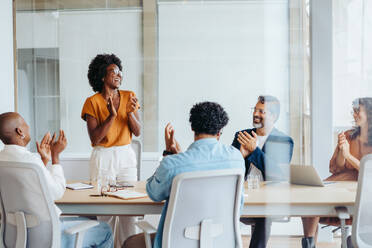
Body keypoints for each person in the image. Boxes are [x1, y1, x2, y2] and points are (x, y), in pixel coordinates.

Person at [123, 101, 245, 248]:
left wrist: (168, 154)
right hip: (220, 240)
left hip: (176, 243)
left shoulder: (173, 164)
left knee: (130, 243)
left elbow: (153, 193)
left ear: (192, 127)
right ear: (220, 132)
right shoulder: (236, 159)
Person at [0, 112, 113, 248]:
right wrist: (55, 156)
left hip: (15, 237)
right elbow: (57, 192)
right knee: (104, 230)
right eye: (25, 123)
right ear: (20, 131)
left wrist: (43, 160)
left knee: (91, 220)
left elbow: (24, 186)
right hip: (47, 237)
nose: (28, 126)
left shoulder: (5, 161)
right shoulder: (31, 161)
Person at [81, 54, 141, 246]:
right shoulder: (92, 102)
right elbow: (95, 138)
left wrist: (130, 113)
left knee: (128, 212)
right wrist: (112, 117)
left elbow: (138, 131)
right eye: (113, 71)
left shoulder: (129, 96)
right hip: (103, 156)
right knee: (105, 211)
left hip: (125, 156)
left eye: (119, 71)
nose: (118, 75)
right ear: (101, 76)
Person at [301, 97, 372, 248]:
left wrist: (348, 156)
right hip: (340, 183)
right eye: (353, 111)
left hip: (363, 189)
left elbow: (369, 171)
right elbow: (336, 168)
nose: (354, 115)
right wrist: (341, 151)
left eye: (358, 111)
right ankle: (309, 243)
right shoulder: (348, 135)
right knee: (310, 198)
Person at [232, 95, 294, 248]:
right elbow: (230, 167)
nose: (255, 114)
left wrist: (254, 151)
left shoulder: (283, 141)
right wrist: (240, 156)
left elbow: (278, 174)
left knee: (265, 213)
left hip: (268, 196)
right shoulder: (242, 136)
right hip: (241, 193)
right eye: (255, 110)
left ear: (273, 116)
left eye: (261, 111)